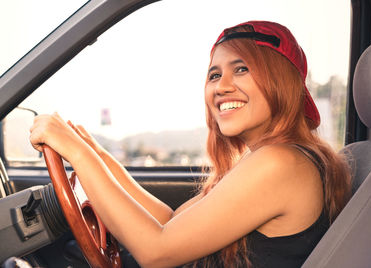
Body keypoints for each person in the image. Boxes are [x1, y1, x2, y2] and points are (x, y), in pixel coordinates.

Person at [30, 21, 351, 267]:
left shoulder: (281, 163)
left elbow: (156, 252)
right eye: (214, 75)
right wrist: (97, 156)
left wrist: (77, 151)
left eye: (241, 69)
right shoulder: (272, 161)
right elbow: (169, 221)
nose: (221, 86)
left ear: (281, 80)